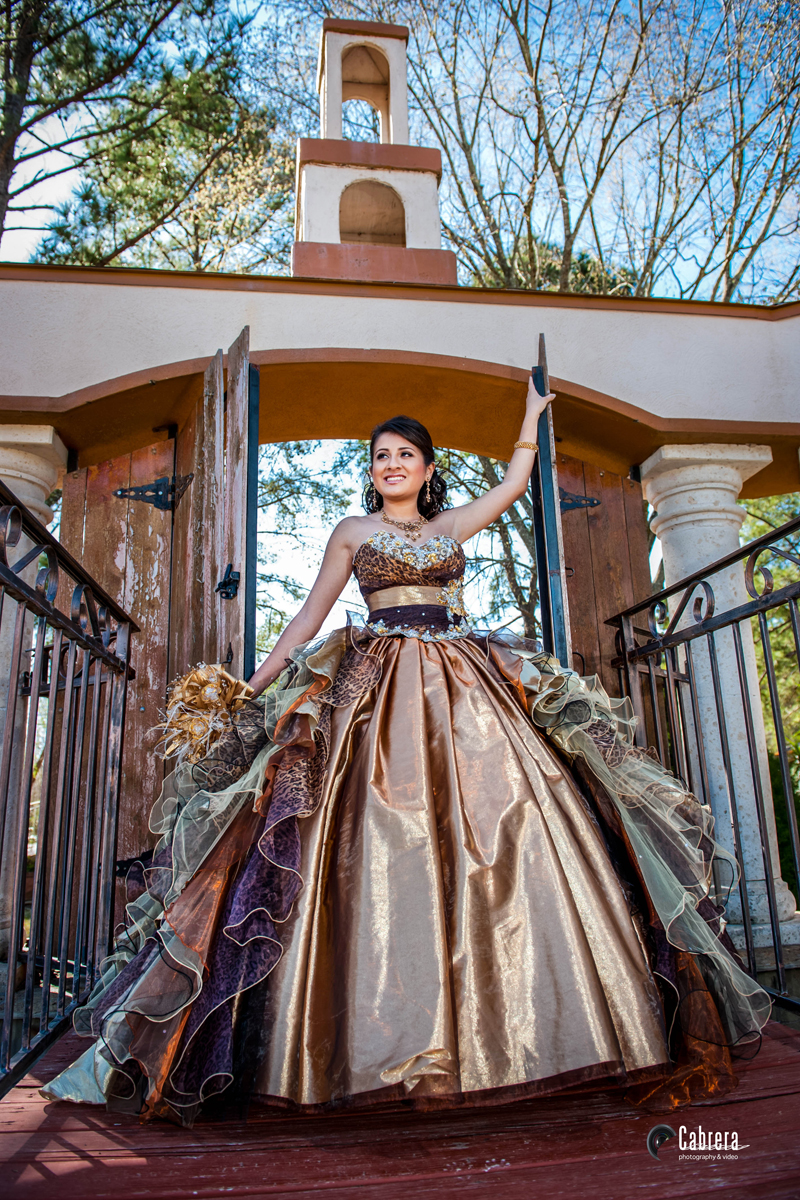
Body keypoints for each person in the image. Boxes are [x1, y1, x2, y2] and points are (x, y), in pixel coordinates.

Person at [42, 380, 770, 1124]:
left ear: (427, 469)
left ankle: (538, 1027)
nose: (392, 464)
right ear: (372, 470)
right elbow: (309, 616)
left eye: (405, 455)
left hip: (467, 684)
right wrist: (253, 683)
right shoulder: (354, 533)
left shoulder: (452, 525)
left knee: (511, 821)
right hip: (376, 686)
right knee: (368, 835)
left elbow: (517, 483)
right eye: (381, 455)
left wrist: (529, 420)